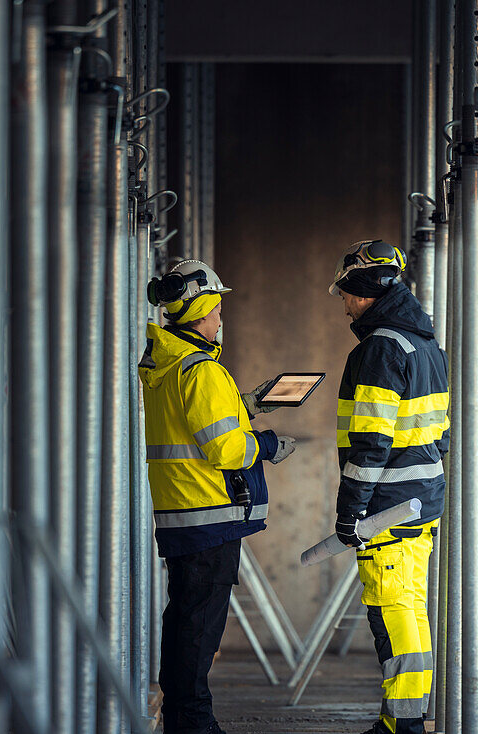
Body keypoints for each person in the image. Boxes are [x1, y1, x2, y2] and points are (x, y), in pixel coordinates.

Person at [139, 259, 297, 734]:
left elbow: (193, 422)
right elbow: (228, 448)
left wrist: (244, 404)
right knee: (199, 628)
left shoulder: (168, 363)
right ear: (203, 309)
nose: (220, 317)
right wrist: (268, 443)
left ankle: (186, 720)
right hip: (208, 512)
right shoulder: (203, 370)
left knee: (186, 618)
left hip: (183, 511)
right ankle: (193, 725)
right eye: (217, 308)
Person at [329, 240, 450, 734]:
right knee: (410, 611)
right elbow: (439, 436)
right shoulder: (423, 344)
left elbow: (372, 444)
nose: (343, 302)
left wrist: (350, 511)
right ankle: (401, 718)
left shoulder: (381, 347)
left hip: (386, 509)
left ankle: (405, 726)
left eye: (345, 293)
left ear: (364, 292)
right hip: (418, 502)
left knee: (394, 613)